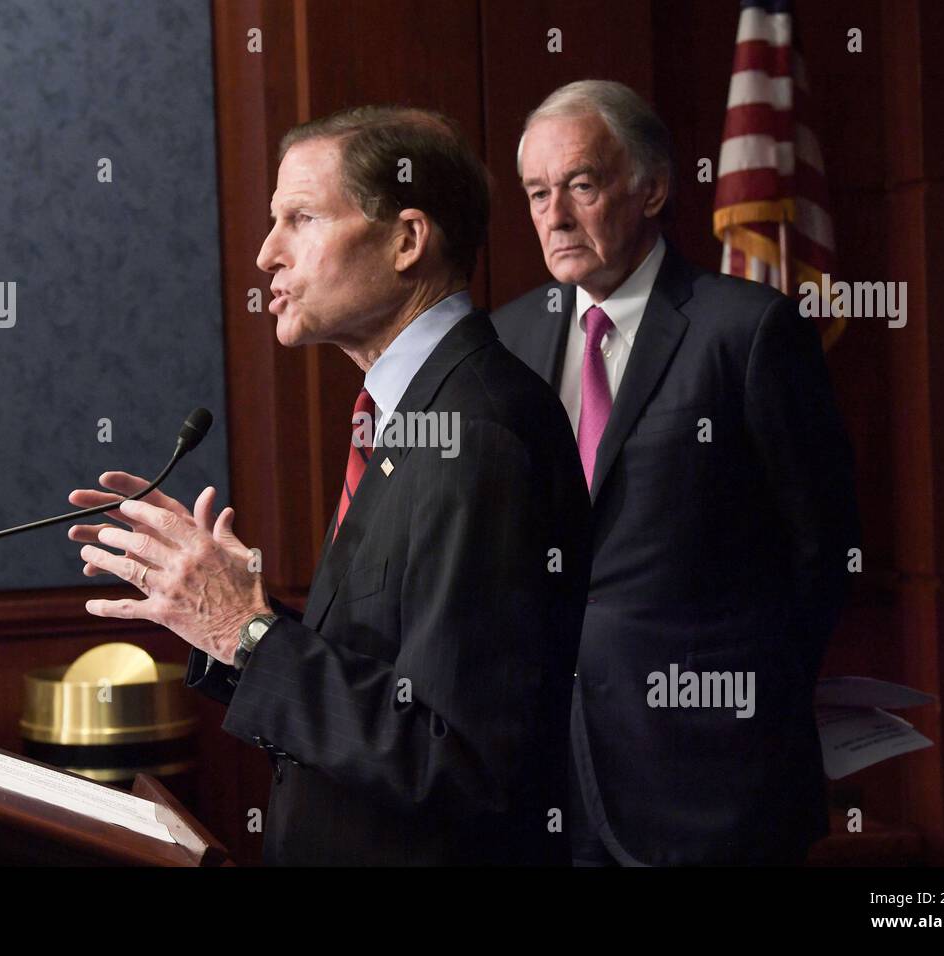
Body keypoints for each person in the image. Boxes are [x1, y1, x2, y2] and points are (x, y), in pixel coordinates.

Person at [68, 106, 591, 865]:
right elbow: (383, 680)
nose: (264, 255)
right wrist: (227, 621)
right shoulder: (409, 415)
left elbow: (461, 760)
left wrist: (247, 634)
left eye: (300, 219)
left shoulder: (479, 431)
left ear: (408, 239)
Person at [492, 80, 860, 865]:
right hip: (554, 781)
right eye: (537, 193)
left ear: (652, 187)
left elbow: (822, 552)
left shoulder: (748, 331)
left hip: (714, 789)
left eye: (581, 186)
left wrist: (748, 711)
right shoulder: (509, 336)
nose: (554, 216)